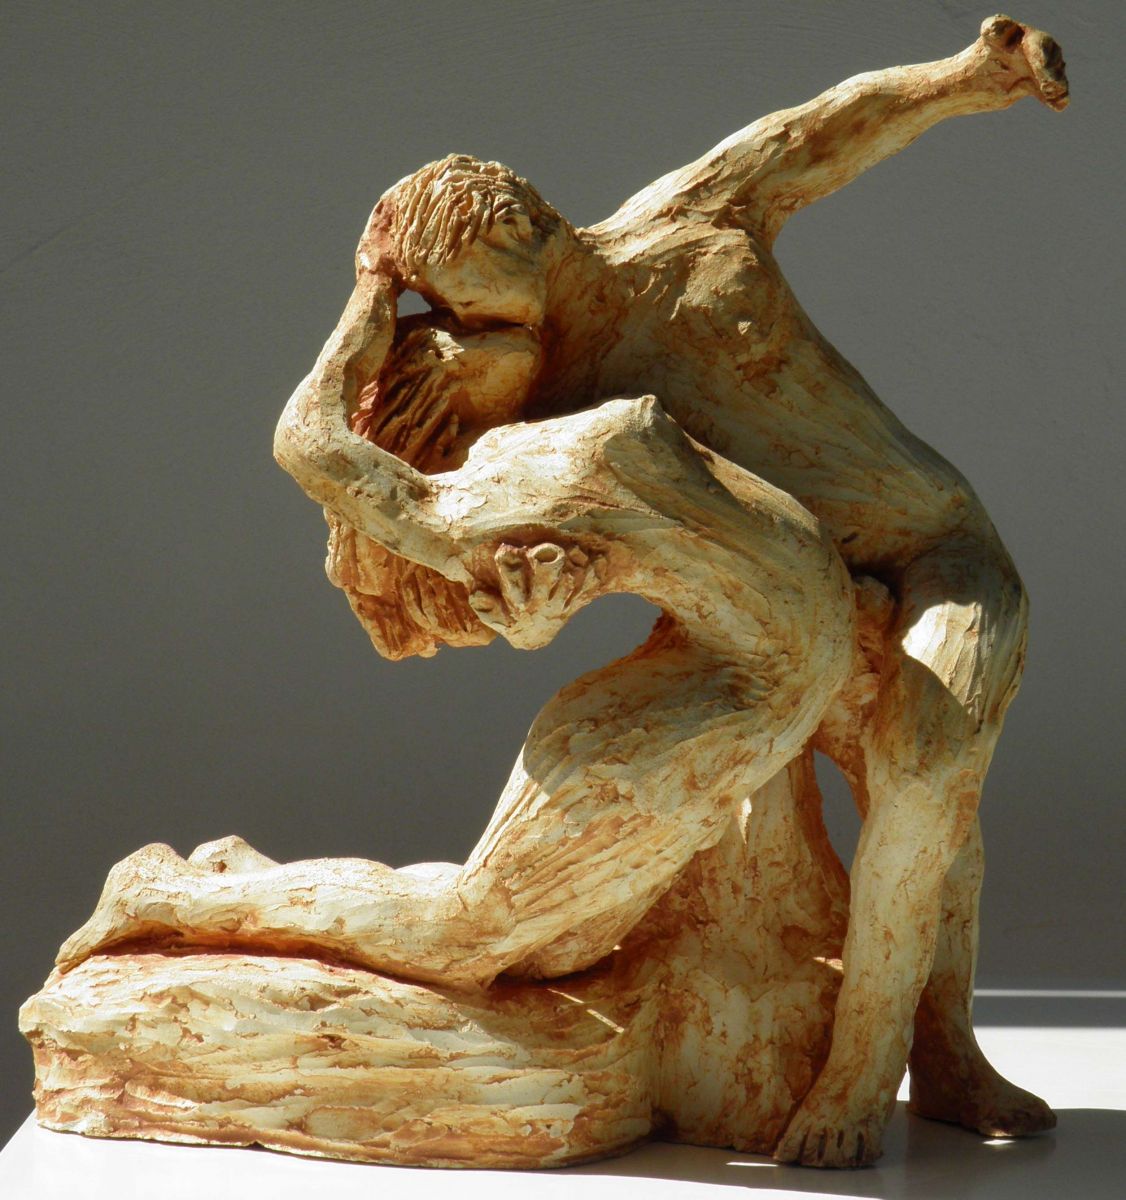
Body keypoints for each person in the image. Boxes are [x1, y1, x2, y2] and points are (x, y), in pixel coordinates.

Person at [60, 15, 1066, 1166]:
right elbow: (512, 562)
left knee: (929, 778)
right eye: (447, 312)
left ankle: (904, 1060)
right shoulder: (528, 401)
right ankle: (846, 1039)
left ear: (529, 224)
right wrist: (526, 595)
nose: (464, 327)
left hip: (936, 549)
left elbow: (815, 136)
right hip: (787, 610)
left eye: (475, 297)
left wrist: (966, 78)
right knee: (896, 805)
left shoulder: (680, 227)